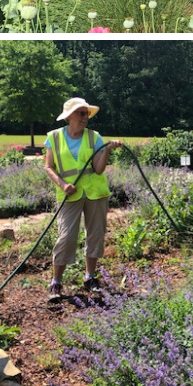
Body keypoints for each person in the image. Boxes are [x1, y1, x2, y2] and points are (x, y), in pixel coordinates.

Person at [42, 98, 124, 303]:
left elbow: (98, 169)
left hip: (95, 193)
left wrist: (106, 150)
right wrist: (62, 184)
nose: (84, 117)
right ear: (69, 116)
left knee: (95, 235)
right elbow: (49, 167)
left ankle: (90, 277)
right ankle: (56, 282)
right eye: (80, 113)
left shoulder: (93, 137)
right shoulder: (54, 137)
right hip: (69, 194)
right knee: (67, 236)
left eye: (86, 114)